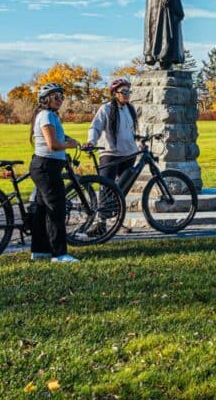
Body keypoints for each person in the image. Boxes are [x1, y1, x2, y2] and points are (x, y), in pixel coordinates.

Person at [29, 82, 81, 262]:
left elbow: (57, 138)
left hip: (45, 165)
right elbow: (53, 145)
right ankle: (59, 254)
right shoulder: (46, 116)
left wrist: (67, 140)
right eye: (56, 97)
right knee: (56, 209)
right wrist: (70, 144)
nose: (60, 100)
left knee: (42, 209)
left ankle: (40, 251)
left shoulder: (49, 116)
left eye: (62, 97)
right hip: (46, 166)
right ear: (45, 99)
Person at [84, 78, 140, 182]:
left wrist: (140, 142)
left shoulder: (130, 109)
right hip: (111, 155)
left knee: (123, 190)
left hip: (129, 154)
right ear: (115, 94)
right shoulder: (106, 109)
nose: (127, 94)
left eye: (129, 91)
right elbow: (95, 127)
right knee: (106, 190)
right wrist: (91, 141)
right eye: (124, 91)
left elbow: (132, 131)